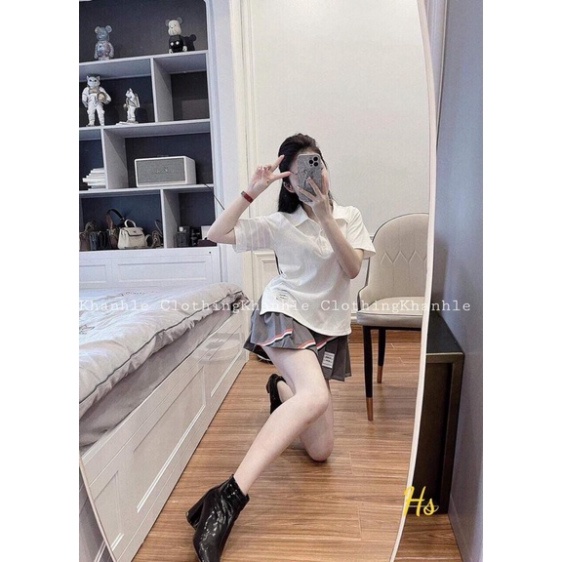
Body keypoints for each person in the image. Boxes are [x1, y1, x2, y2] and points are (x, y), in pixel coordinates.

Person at [185, 133, 376, 562]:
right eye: (304, 167)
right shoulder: (279, 224)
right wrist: (252, 189)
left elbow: (351, 270)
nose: (315, 173)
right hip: (284, 311)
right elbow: (217, 233)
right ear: (288, 181)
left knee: (320, 452)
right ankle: (227, 499)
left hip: (327, 325)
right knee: (316, 396)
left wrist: (326, 218)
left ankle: (281, 390)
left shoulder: (348, 217)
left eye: (318, 163)